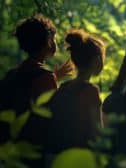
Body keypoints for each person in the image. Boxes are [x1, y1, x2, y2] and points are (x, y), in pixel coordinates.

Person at [0, 14, 73, 144]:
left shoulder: (13, 73)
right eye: (54, 38)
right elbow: (51, 119)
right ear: (48, 41)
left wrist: (55, 77)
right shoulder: (45, 77)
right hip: (32, 147)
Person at [46, 29, 105, 154]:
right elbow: (97, 134)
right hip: (79, 157)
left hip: (59, 155)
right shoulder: (91, 91)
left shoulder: (63, 87)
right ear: (96, 60)